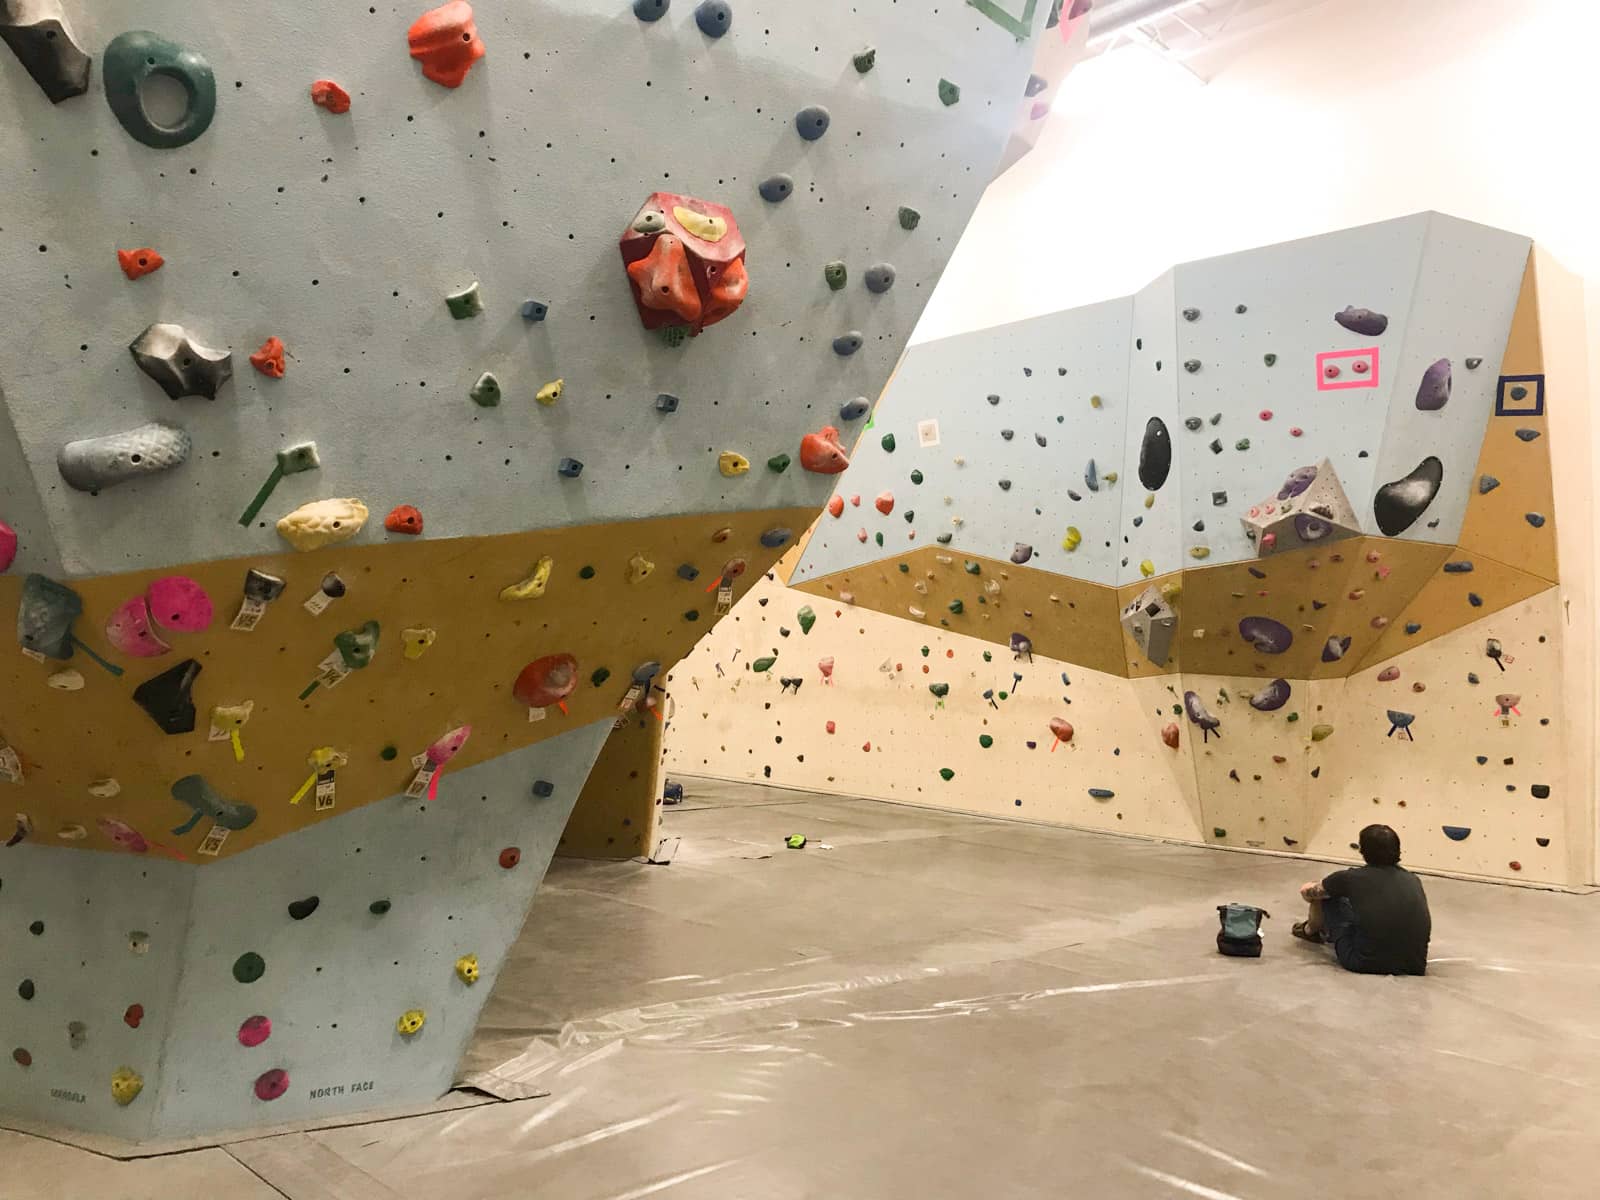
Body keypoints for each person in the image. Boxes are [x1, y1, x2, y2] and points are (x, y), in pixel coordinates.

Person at [1292, 824, 1431, 975]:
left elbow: (1307, 892)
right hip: (1414, 965)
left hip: (1363, 962)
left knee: (1328, 897)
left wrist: (1313, 887)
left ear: (1362, 850)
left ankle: (1309, 931)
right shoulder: (1413, 879)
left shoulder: (1350, 878)